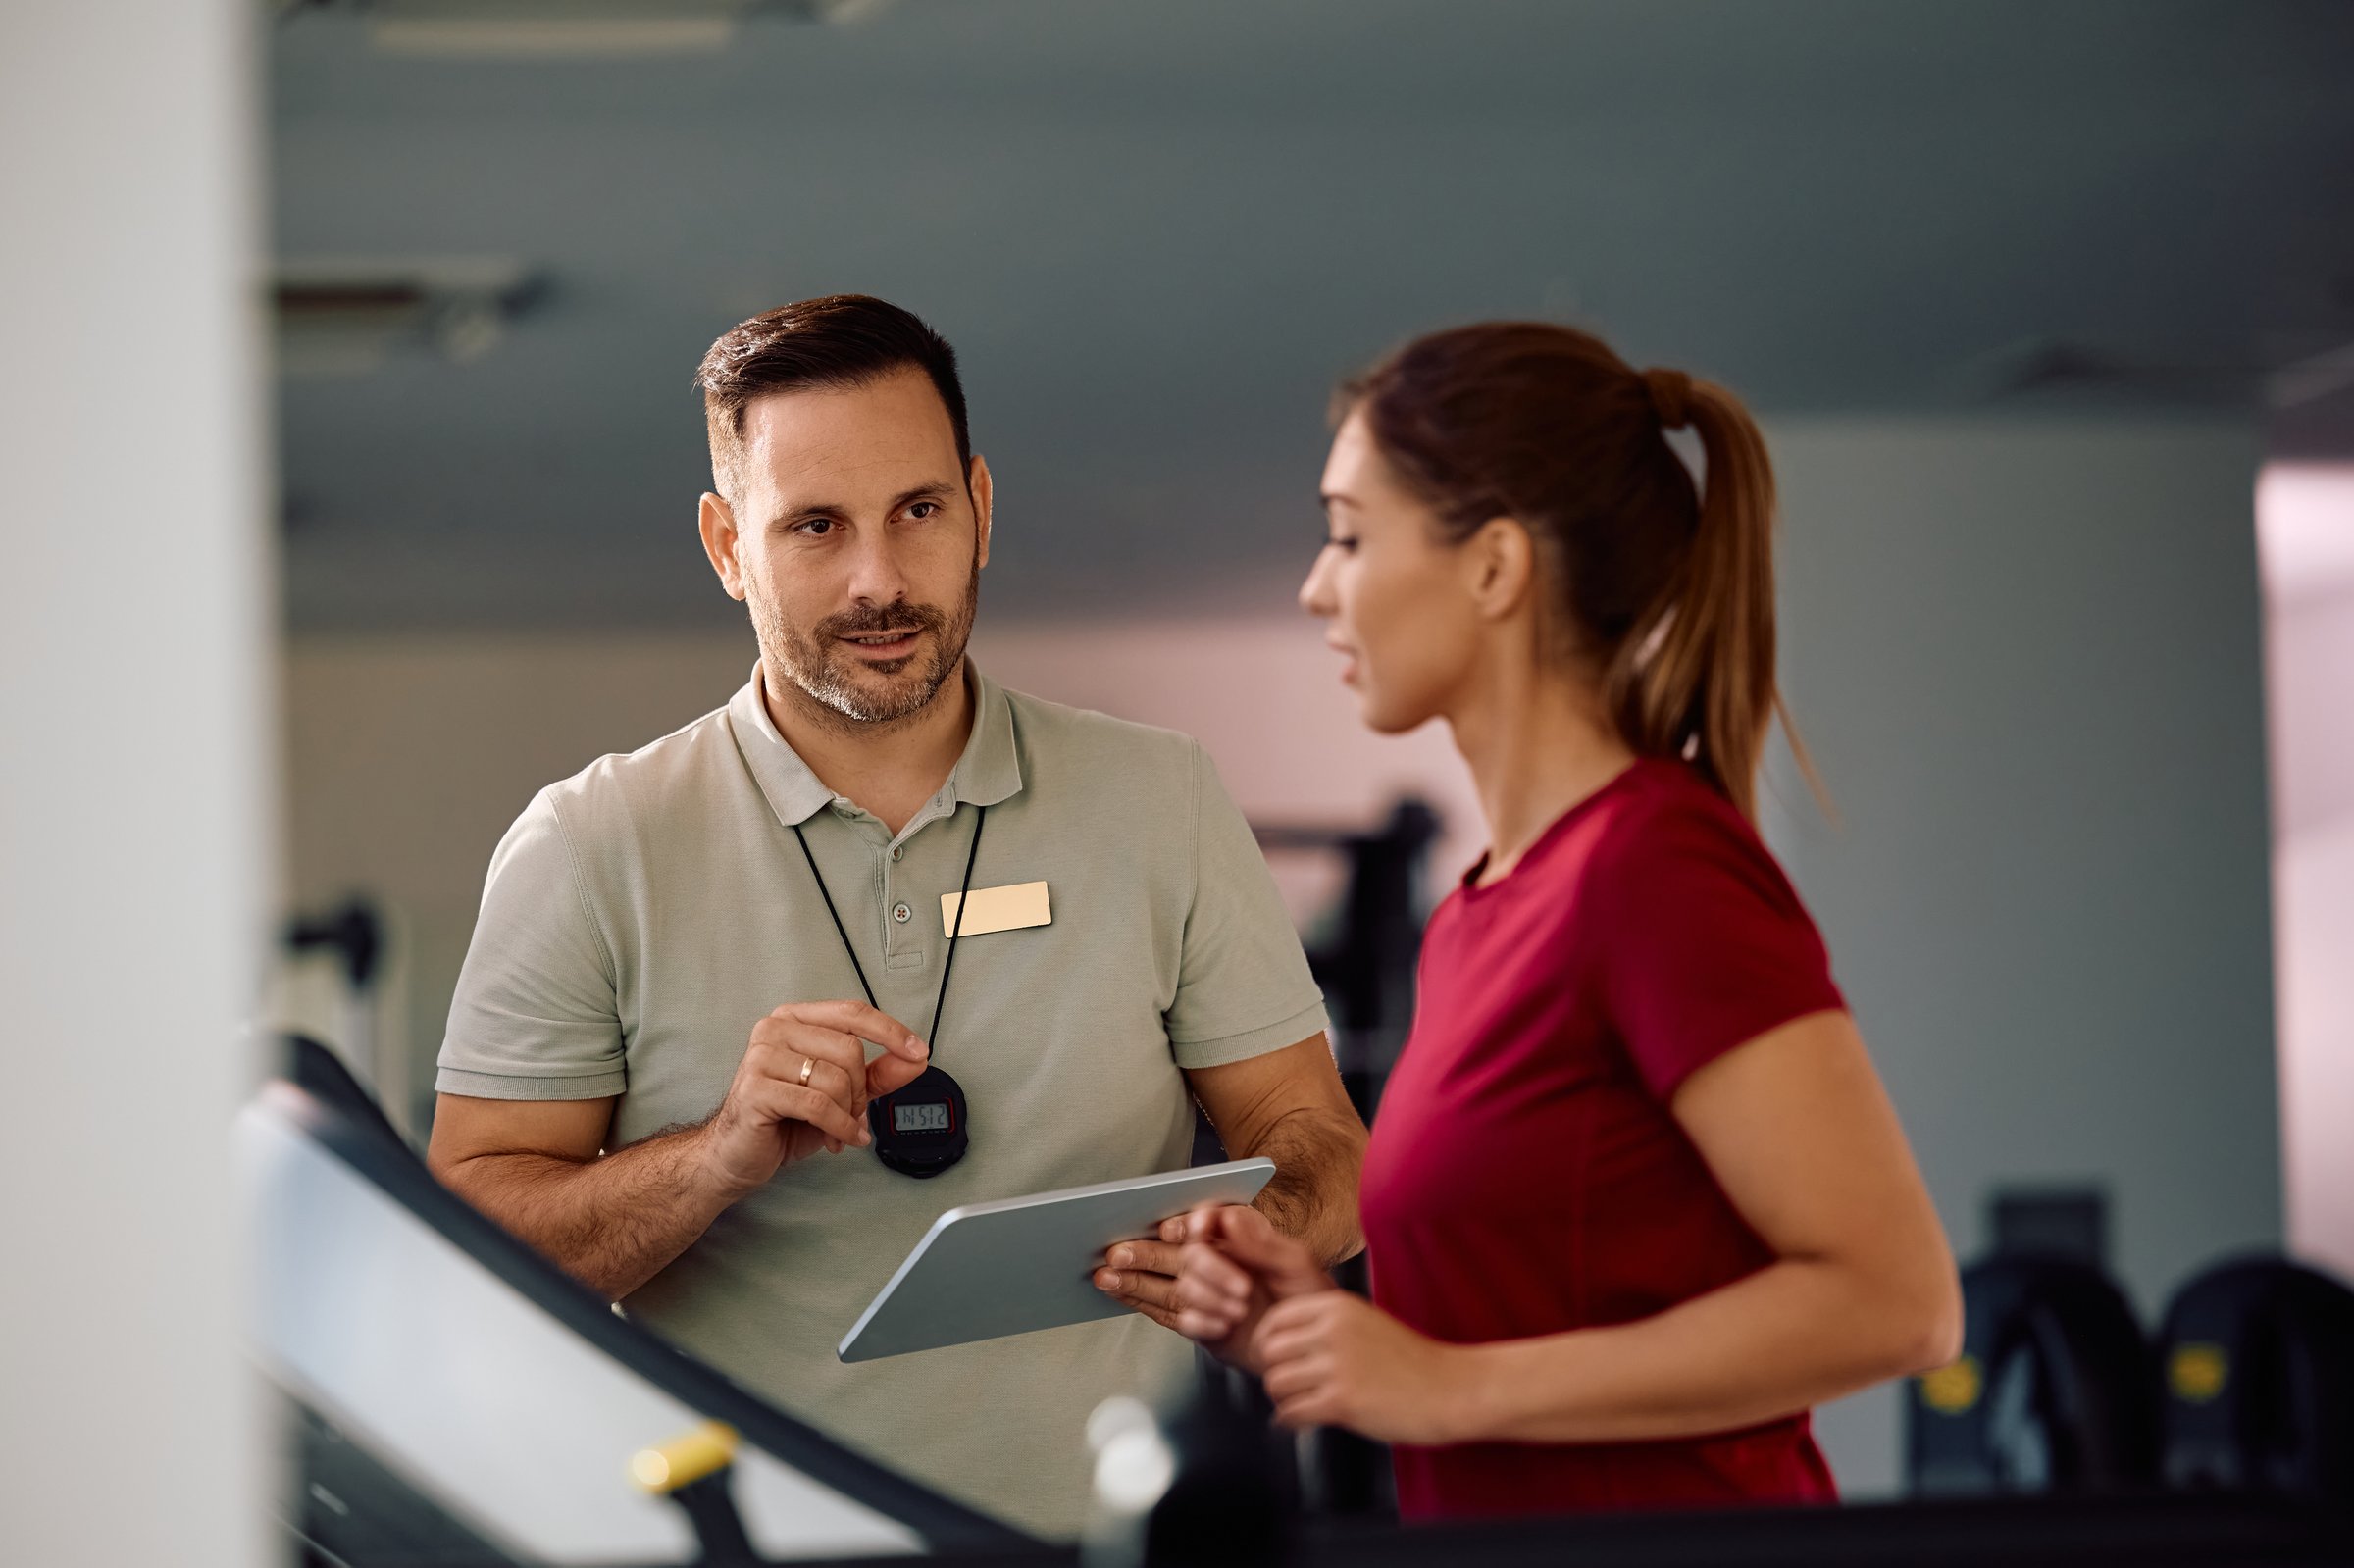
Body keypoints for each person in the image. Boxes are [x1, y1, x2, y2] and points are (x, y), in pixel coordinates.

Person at [424, 294, 1366, 1537]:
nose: (880, 580)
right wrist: (714, 1159)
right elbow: (464, 1259)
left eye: (918, 511)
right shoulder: (591, 844)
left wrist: (1250, 1231)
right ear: (725, 546)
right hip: (748, 1547)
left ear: (980, 505)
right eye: (815, 525)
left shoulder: (1161, 797)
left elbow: (1331, 1156)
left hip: (1109, 1540)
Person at [1168, 322, 1962, 1519]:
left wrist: (1450, 1387)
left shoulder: (1652, 869)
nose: (1315, 584)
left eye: (1348, 535)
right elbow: (1532, 1314)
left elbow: (1897, 1302)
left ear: (1494, 567)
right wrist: (1321, 1331)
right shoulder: (1479, 914)